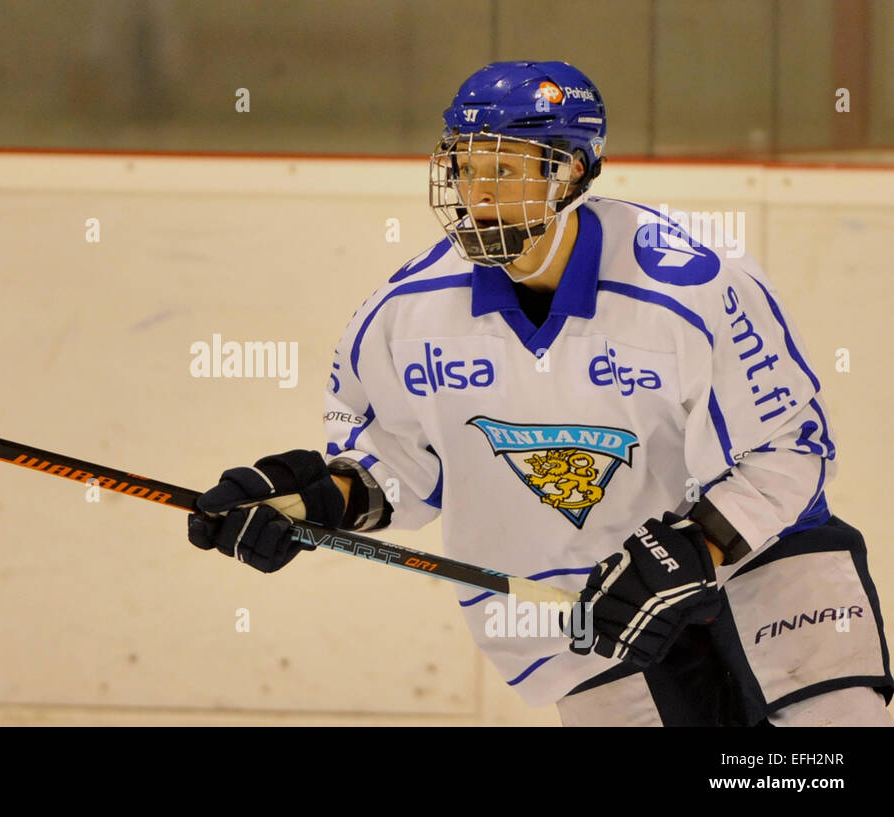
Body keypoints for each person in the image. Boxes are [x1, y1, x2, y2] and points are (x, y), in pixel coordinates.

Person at [187, 60, 893, 726]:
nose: (480, 193)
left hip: (762, 563)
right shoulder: (405, 317)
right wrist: (315, 499)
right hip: (583, 606)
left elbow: (791, 449)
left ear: (572, 171)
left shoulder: (693, 285)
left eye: (503, 169)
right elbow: (400, 468)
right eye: (464, 168)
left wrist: (700, 545)